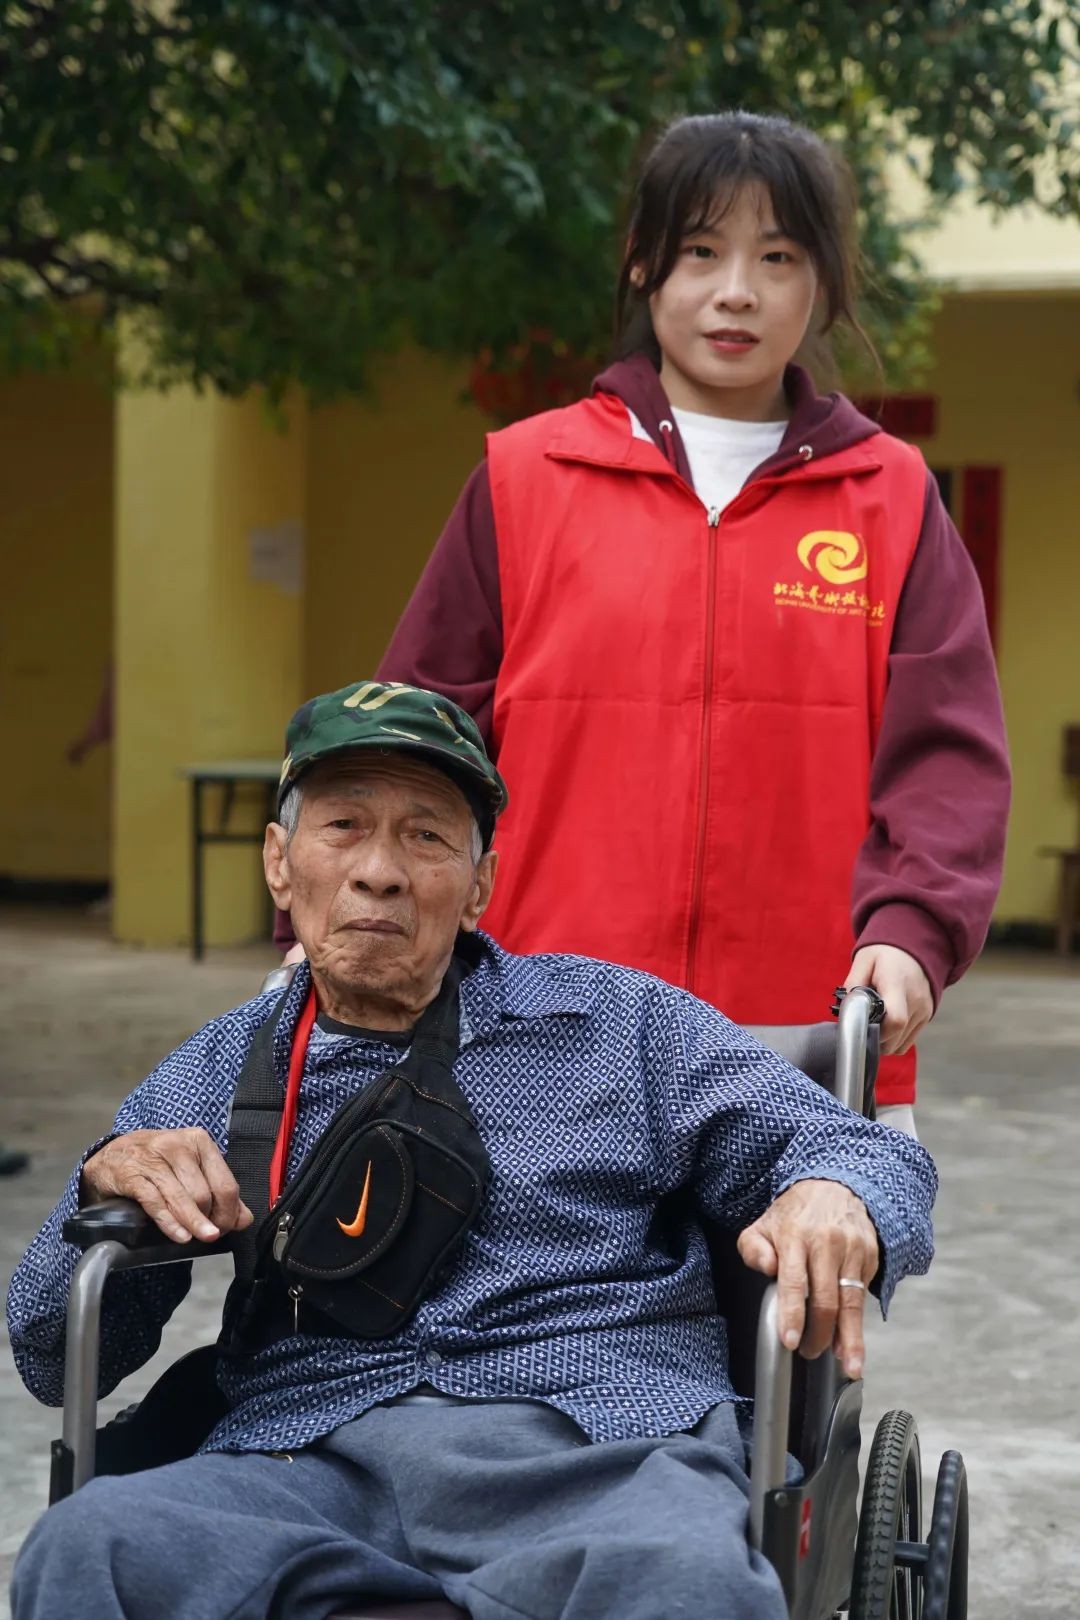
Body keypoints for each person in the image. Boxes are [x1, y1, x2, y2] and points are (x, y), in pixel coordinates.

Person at [9, 679, 937, 1620]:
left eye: (425, 836)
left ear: (479, 886)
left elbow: (862, 1150)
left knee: (686, 1582)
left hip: (597, 1451)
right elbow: (51, 1353)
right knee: (91, 1549)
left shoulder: (616, 1022)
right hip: (307, 1460)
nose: (380, 871)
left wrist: (834, 1187)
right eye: (343, 827)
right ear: (280, 866)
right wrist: (103, 1182)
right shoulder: (224, 1067)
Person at [359, 111, 1012, 1135]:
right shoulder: (526, 477)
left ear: (824, 282)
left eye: (778, 257)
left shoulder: (890, 497)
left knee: (803, 1255)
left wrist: (913, 932)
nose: (736, 291)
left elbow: (948, 761)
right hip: (534, 1038)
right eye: (701, 251)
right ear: (642, 263)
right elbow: (412, 740)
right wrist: (343, 930)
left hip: (810, 1049)